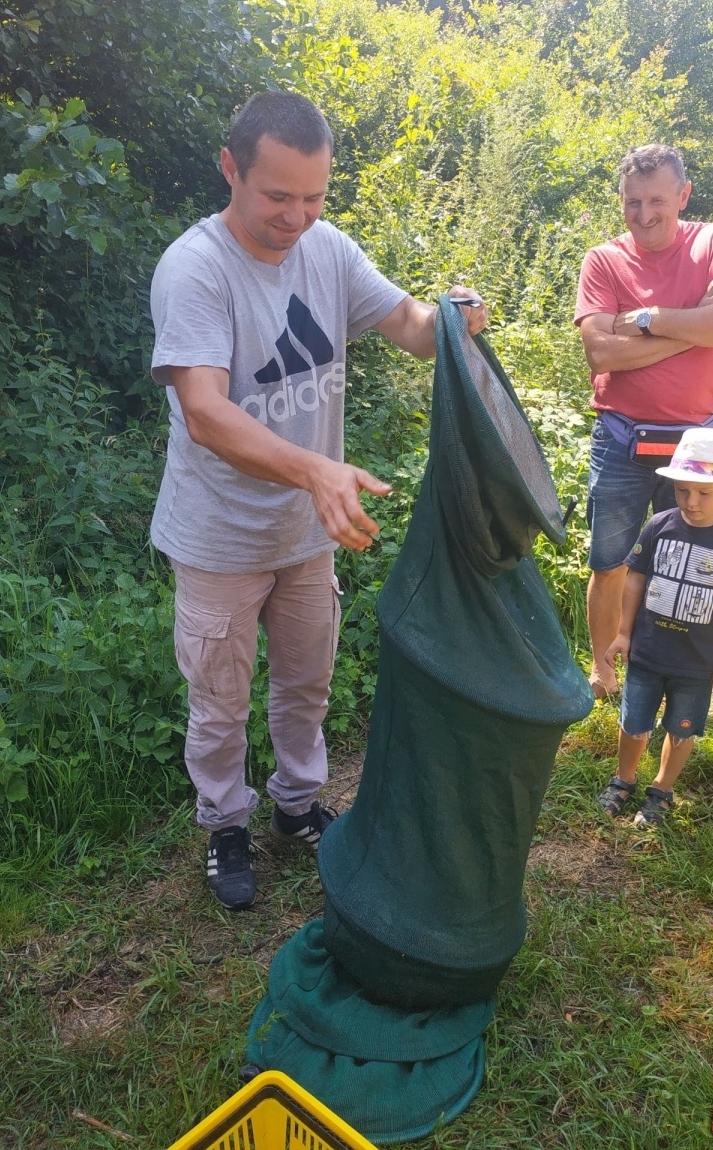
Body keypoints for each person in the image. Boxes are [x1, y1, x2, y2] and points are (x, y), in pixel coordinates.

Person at [148, 90, 487, 910]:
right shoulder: (194, 268)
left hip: (306, 534)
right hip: (220, 539)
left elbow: (404, 322)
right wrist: (316, 470)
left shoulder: (328, 249)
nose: (297, 216)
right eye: (278, 195)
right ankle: (226, 827)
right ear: (231, 169)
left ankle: (296, 806)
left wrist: (450, 319)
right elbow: (206, 412)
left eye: (314, 196)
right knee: (220, 702)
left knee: (306, 683)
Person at [573, 143, 713, 700]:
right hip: (621, 438)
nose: (645, 214)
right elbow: (600, 355)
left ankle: (672, 674)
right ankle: (604, 671)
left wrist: (646, 322)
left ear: (683, 196)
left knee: (688, 564)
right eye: (633, 202)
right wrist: (696, 326)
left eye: (657, 200)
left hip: (699, 441)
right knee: (609, 563)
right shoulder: (603, 260)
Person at [595, 428, 713, 828]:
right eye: (684, 490)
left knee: (681, 728)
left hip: (696, 663)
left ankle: (662, 789)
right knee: (634, 723)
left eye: (704, 493)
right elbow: (634, 579)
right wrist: (623, 633)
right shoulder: (659, 525)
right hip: (647, 653)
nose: (691, 501)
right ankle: (624, 779)